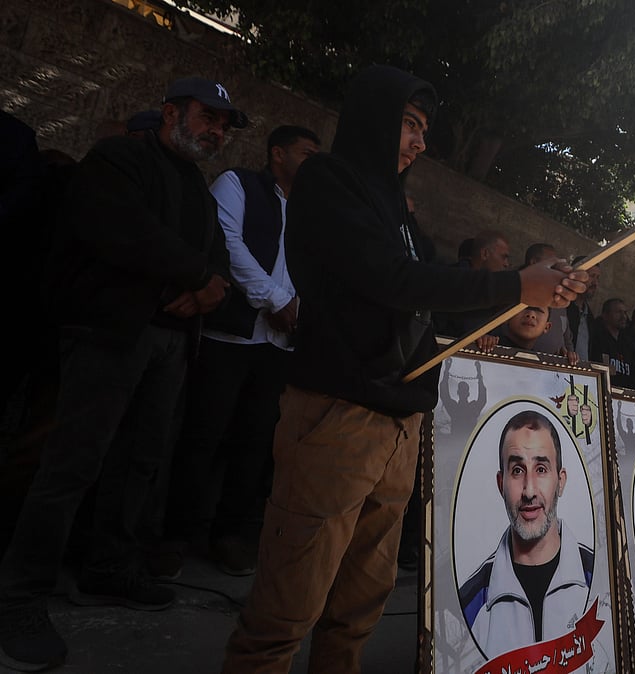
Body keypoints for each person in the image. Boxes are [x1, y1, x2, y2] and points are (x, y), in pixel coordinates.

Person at [220, 66, 586, 673]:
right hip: (337, 417)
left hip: (398, 422)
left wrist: (533, 296)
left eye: (424, 130)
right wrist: (517, 284)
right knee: (287, 608)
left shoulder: (397, 209)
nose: (419, 143)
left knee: (359, 605)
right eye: (410, 125)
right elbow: (393, 279)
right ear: (374, 117)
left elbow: (435, 291)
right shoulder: (329, 181)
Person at [0, 76, 242, 672]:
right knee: (72, 464)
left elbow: (216, 258)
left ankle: (108, 566)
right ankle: (19, 597)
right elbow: (125, 232)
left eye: (223, 124)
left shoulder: (196, 184)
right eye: (207, 116)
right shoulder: (119, 158)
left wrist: (207, 288)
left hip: (168, 342)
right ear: (170, 113)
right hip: (109, 335)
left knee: (141, 461)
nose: (216, 130)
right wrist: (194, 278)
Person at [159, 125, 321, 579]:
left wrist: (297, 309)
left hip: (278, 346)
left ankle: (229, 535)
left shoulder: (312, 213)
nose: (314, 163)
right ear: (277, 154)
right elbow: (228, 245)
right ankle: (173, 536)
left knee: (255, 444)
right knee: (201, 436)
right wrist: (276, 299)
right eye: (306, 153)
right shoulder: (237, 185)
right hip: (229, 338)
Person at [458, 410, 593, 655]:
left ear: (560, 481)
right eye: (517, 471)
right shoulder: (470, 603)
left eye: (541, 469)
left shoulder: (598, 578)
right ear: (501, 484)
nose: (529, 491)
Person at [589, 298, 632, 385]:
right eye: (618, 312)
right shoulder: (597, 339)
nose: (624, 316)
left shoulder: (627, 344)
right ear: (605, 315)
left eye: (625, 312)